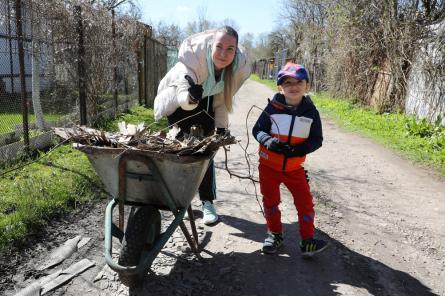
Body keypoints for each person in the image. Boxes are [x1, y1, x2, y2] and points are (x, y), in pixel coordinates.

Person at [154, 26, 251, 225]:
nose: (224, 54)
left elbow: (223, 99)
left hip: (207, 108)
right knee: (178, 151)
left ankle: (207, 202)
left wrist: (221, 128)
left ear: (236, 50)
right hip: (179, 106)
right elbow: (180, 90)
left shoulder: (235, 69)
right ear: (210, 46)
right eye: (219, 46)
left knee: (205, 155)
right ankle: (174, 198)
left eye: (230, 49)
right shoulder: (193, 59)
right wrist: (189, 97)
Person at [252, 62, 328, 257]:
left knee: (305, 203)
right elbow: (257, 130)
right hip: (269, 166)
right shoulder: (272, 107)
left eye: (299, 82)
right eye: (288, 83)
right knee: (271, 201)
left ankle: (307, 241)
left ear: (307, 86)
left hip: (295, 168)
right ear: (280, 87)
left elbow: (316, 140)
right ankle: (274, 235)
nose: (293, 87)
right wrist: (268, 141)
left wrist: (298, 150)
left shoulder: (311, 113)